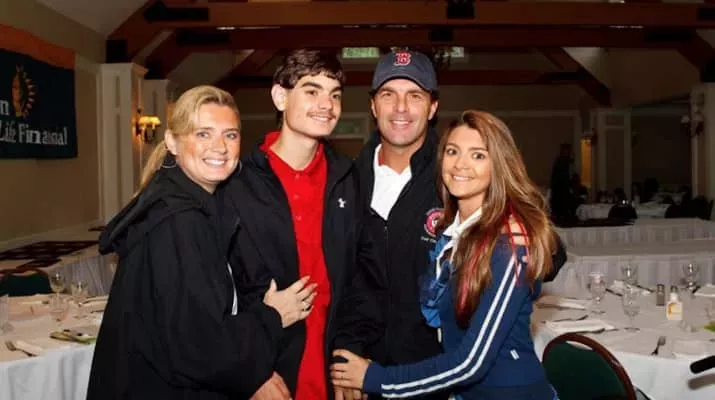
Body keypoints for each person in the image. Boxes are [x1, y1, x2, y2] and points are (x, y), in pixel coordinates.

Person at [334, 50, 566, 400]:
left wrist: (519, 240)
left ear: (432, 107)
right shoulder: (346, 181)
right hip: (369, 366)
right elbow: (347, 278)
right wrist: (348, 353)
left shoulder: (456, 177)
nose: (400, 108)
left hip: (440, 374)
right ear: (373, 105)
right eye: (388, 94)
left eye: (415, 96)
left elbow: (544, 254)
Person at [87, 85, 316, 399]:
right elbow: (199, 348)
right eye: (203, 134)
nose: (219, 147)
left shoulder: (188, 204)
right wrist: (274, 316)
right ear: (172, 142)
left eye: (230, 135)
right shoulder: (180, 220)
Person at [222, 49, 383, 400]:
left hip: (331, 371)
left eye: (335, 95)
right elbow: (222, 291)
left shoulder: (347, 178)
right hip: (267, 374)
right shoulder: (237, 183)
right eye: (312, 91)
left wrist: (349, 354)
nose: (327, 105)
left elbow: (363, 275)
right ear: (280, 97)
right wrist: (250, 370)